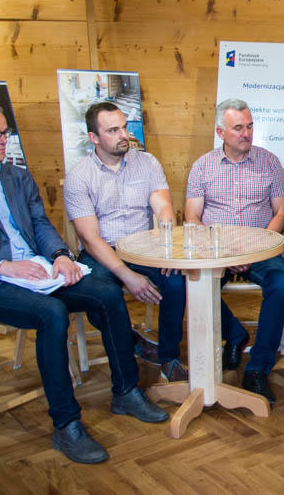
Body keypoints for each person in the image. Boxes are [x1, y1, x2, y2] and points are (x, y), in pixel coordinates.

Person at [0, 101, 168, 464]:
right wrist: (3, 267)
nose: (3, 140)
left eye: (5, 132)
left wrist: (60, 255)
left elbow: (40, 224)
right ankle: (66, 425)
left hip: (39, 271)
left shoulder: (17, 176)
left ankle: (126, 391)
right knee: (52, 313)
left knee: (106, 292)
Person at [64, 102, 188, 383]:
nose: (123, 135)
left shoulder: (147, 162)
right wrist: (128, 276)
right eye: (113, 130)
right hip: (101, 251)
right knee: (101, 295)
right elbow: (90, 239)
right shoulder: (79, 176)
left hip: (144, 247)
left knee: (176, 281)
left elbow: (163, 207)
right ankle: (129, 342)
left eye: (124, 127)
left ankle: (169, 358)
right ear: (94, 137)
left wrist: (167, 244)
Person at [184, 98, 284, 406]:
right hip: (215, 249)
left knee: (281, 283)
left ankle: (258, 368)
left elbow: (281, 213)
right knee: (192, 284)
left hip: (260, 249)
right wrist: (220, 250)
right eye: (239, 128)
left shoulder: (269, 162)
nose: (247, 133)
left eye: (250, 126)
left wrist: (253, 250)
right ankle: (234, 334)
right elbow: (191, 216)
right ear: (221, 132)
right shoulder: (202, 166)